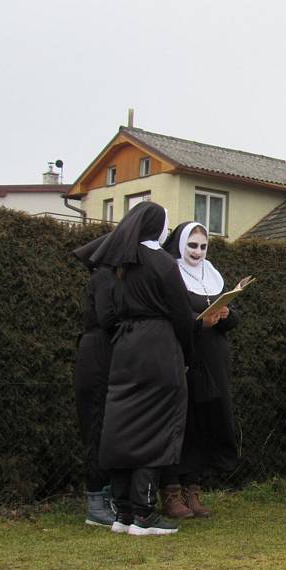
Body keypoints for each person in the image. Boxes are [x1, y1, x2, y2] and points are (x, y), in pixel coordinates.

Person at [89, 201, 194, 536]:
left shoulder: (118, 261)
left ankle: (122, 513)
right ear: (156, 226)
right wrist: (187, 351)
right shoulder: (162, 263)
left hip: (124, 346)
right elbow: (180, 312)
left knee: (121, 427)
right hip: (159, 347)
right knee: (156, 425)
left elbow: (108, 312)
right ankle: (145, 514)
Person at [158, 222, 239, 518]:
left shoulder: (213, 273)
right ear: (180, 245)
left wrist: (227, 314)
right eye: (192, 245)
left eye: (203, 246)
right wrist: (198, 320)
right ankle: (171, 492)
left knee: (205, 424)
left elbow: (232, 323)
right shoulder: (173, 273)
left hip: (214, 362)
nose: (197, 251)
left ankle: (194, 490)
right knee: (182, 425)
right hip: (185, 359)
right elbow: (173, 316)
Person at [72, 234, 117, 527]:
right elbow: (108, 316)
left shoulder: (106, 276)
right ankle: (96, 501)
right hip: (97, 355)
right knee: (96, 425)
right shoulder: (103, 276)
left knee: (108, 426)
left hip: (103, 352)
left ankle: (108, 496)